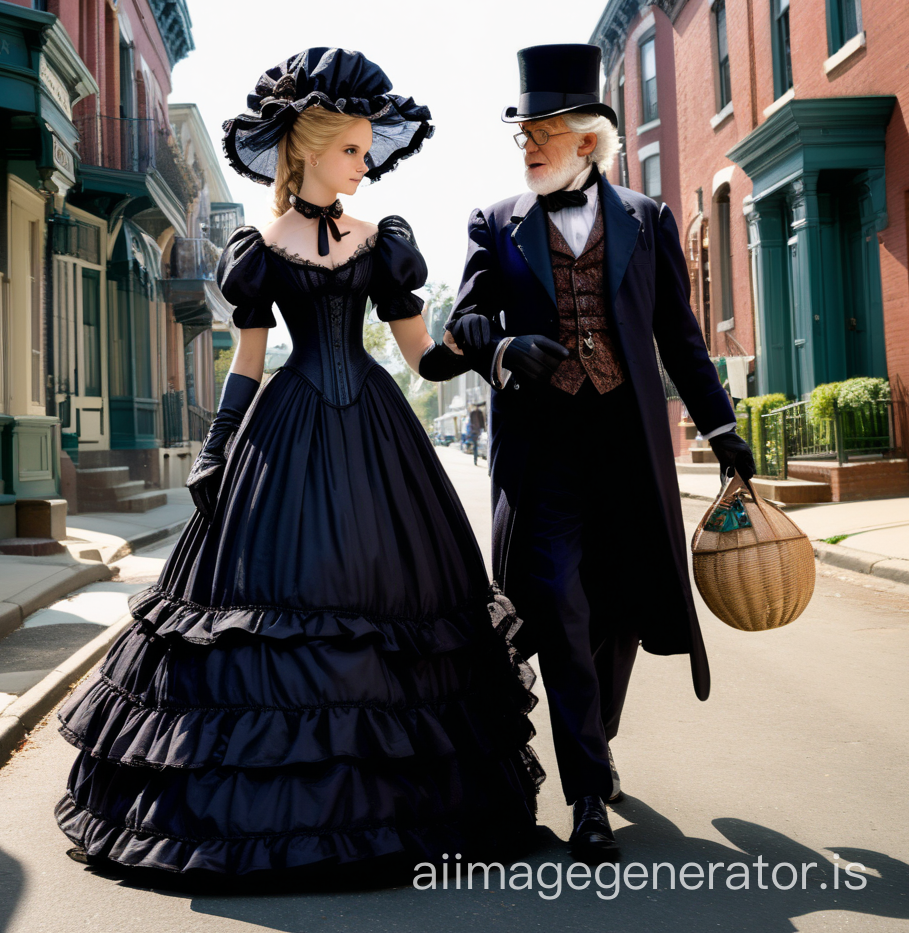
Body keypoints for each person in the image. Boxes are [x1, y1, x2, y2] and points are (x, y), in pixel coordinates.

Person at [54, 48, 543, 879]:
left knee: (394, 597)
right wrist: (215, 452)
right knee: (270, 607)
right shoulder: (259, 249)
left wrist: (492, 354)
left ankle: (400, 812)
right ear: (308, 149)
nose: (366, 163)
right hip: (285, 433)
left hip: (378, 437)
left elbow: (421, 358)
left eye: (366, 149)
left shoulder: (383, 243)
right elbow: (247, 363)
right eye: (353, 150)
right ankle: (275, 824)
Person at [444, 44, 755, 862]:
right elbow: (466, 329)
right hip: (544, 452)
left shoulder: (646, 221)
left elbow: (682, 343)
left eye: (541, 130)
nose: (527, 146)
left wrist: (723, 432)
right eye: (521, 134)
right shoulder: (494, 222)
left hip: (626, 444)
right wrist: (508, 347)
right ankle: (586, 796)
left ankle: (596, 738)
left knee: (616, 609)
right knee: (561, 608)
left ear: (587, 139)